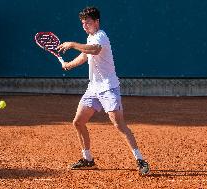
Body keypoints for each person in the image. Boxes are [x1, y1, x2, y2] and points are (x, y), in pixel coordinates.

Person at [57, 7, 150, 175]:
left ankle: (140, 160)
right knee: (78, 122)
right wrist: (68, 65)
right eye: (83, 23)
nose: (85, 26)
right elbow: (85, 56)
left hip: (108, 87)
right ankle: (87, 159)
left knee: (119, 125)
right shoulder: (90, 37)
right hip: (93, 88)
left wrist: (72, 44)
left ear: (97, 22)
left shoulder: (101, 36)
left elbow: (94, 50)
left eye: (88, 23)